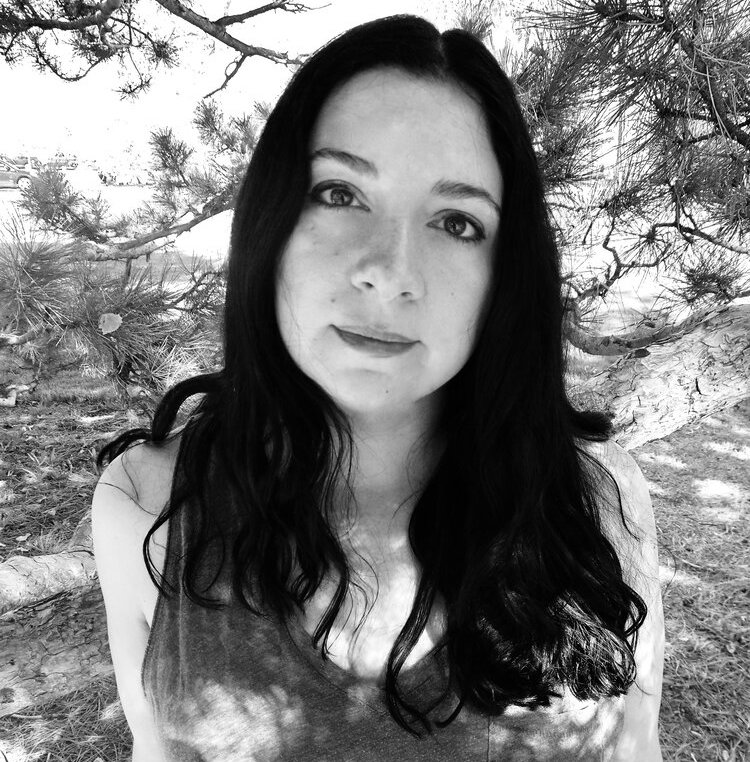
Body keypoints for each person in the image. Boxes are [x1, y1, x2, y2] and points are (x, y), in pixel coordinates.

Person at [91, 14, 664, 762]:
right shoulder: (148, 502)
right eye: (339, 193)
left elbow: (636, 746)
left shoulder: (597, 498)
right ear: (270, 222)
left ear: (506, 277)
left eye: (456, 222)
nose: (390, 271)